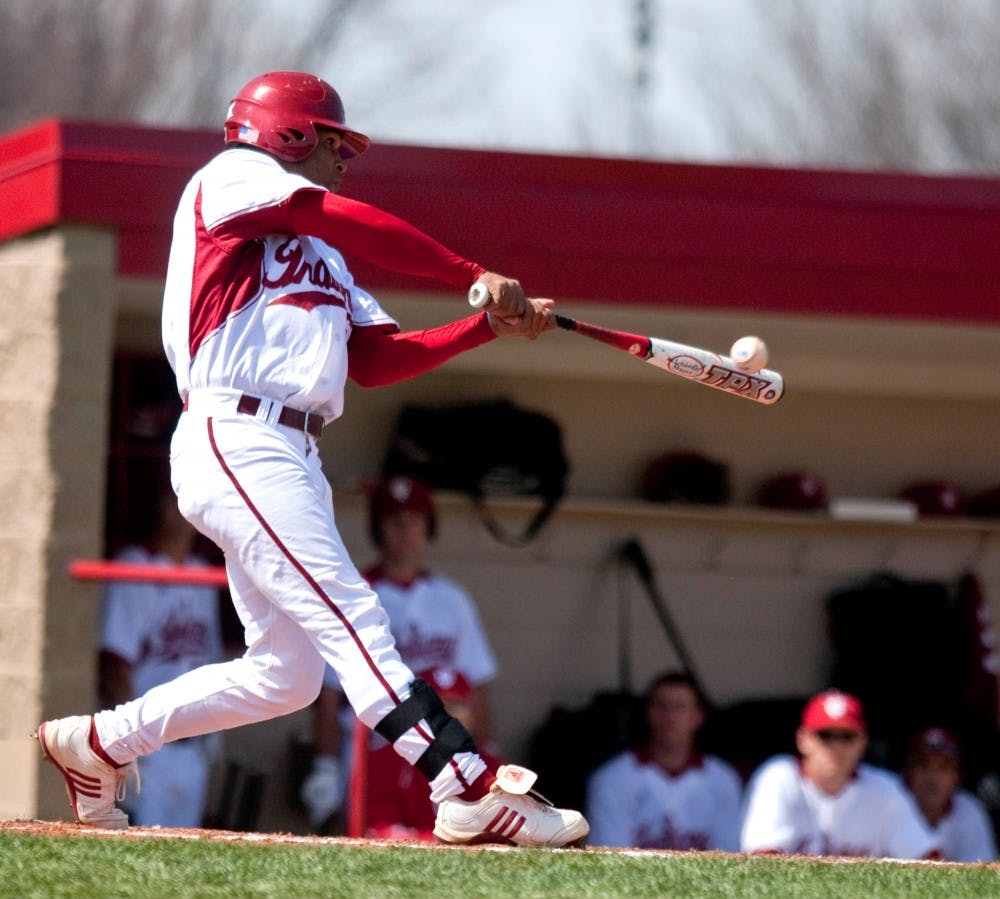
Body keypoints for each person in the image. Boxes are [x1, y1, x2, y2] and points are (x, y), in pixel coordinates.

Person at [34, 70, 588, 848]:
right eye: (334, 142)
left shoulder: (322, 253)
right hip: (238, 430)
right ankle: (463, 782)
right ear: (288, 132)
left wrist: (483, 327)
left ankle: (100, 742)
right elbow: (329, 212)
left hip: (293, 451)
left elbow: (375, 360)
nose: (343, 159)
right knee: (352, 612)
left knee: (284, 676)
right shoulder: (232, 177)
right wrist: (471, 276)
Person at [299, 475, 499, 830]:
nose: (405, 532)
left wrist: (486, 749)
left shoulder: (452, 599)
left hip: (445, 744)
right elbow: (329, 694)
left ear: (428, 527)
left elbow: (477, 686)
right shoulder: (354, 595)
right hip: (373, 743)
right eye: (394, 521)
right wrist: (325, 764)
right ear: (378, 528)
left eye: (414, 521)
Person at [98, 488, 224, 827]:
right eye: (174, 500)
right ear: (160, 505)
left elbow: (211, 662)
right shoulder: (134, 565)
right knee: (142, 851)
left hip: (192, 747)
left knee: (186, 852)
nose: (182, 512)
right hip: (149, 747)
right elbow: (115, 664)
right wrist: (129, 746)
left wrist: (216, 726)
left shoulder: (204, 573)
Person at [740, 689, 938, 859]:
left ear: (862, 742)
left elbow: (929, 860)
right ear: (803, 740)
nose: (836, 747)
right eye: (825, 735)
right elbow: (761, 860)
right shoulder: (778, 778)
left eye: (847, 737)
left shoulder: (884, 788)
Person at [585, 671, 742, 850]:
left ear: (698, 717)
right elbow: (608, 857)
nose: (670, 716)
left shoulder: (723, 779)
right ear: (648, 713)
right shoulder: (612, 778)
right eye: (661, 706)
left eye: (679, 707)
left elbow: (730, 855)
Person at [363, 667, 504, 841]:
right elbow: (379, 828)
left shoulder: (491, 765)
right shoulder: (385, 761)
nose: (448, 715)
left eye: (457, 706)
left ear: (473, 713)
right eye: (438, 706)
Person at [901, 727, 997, 862]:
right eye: (923, 765)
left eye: (943, 768)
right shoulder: (893, 804)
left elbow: (982, 866)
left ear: (957, 776)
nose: (933, 777)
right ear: (908, 772)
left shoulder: (969, 809)